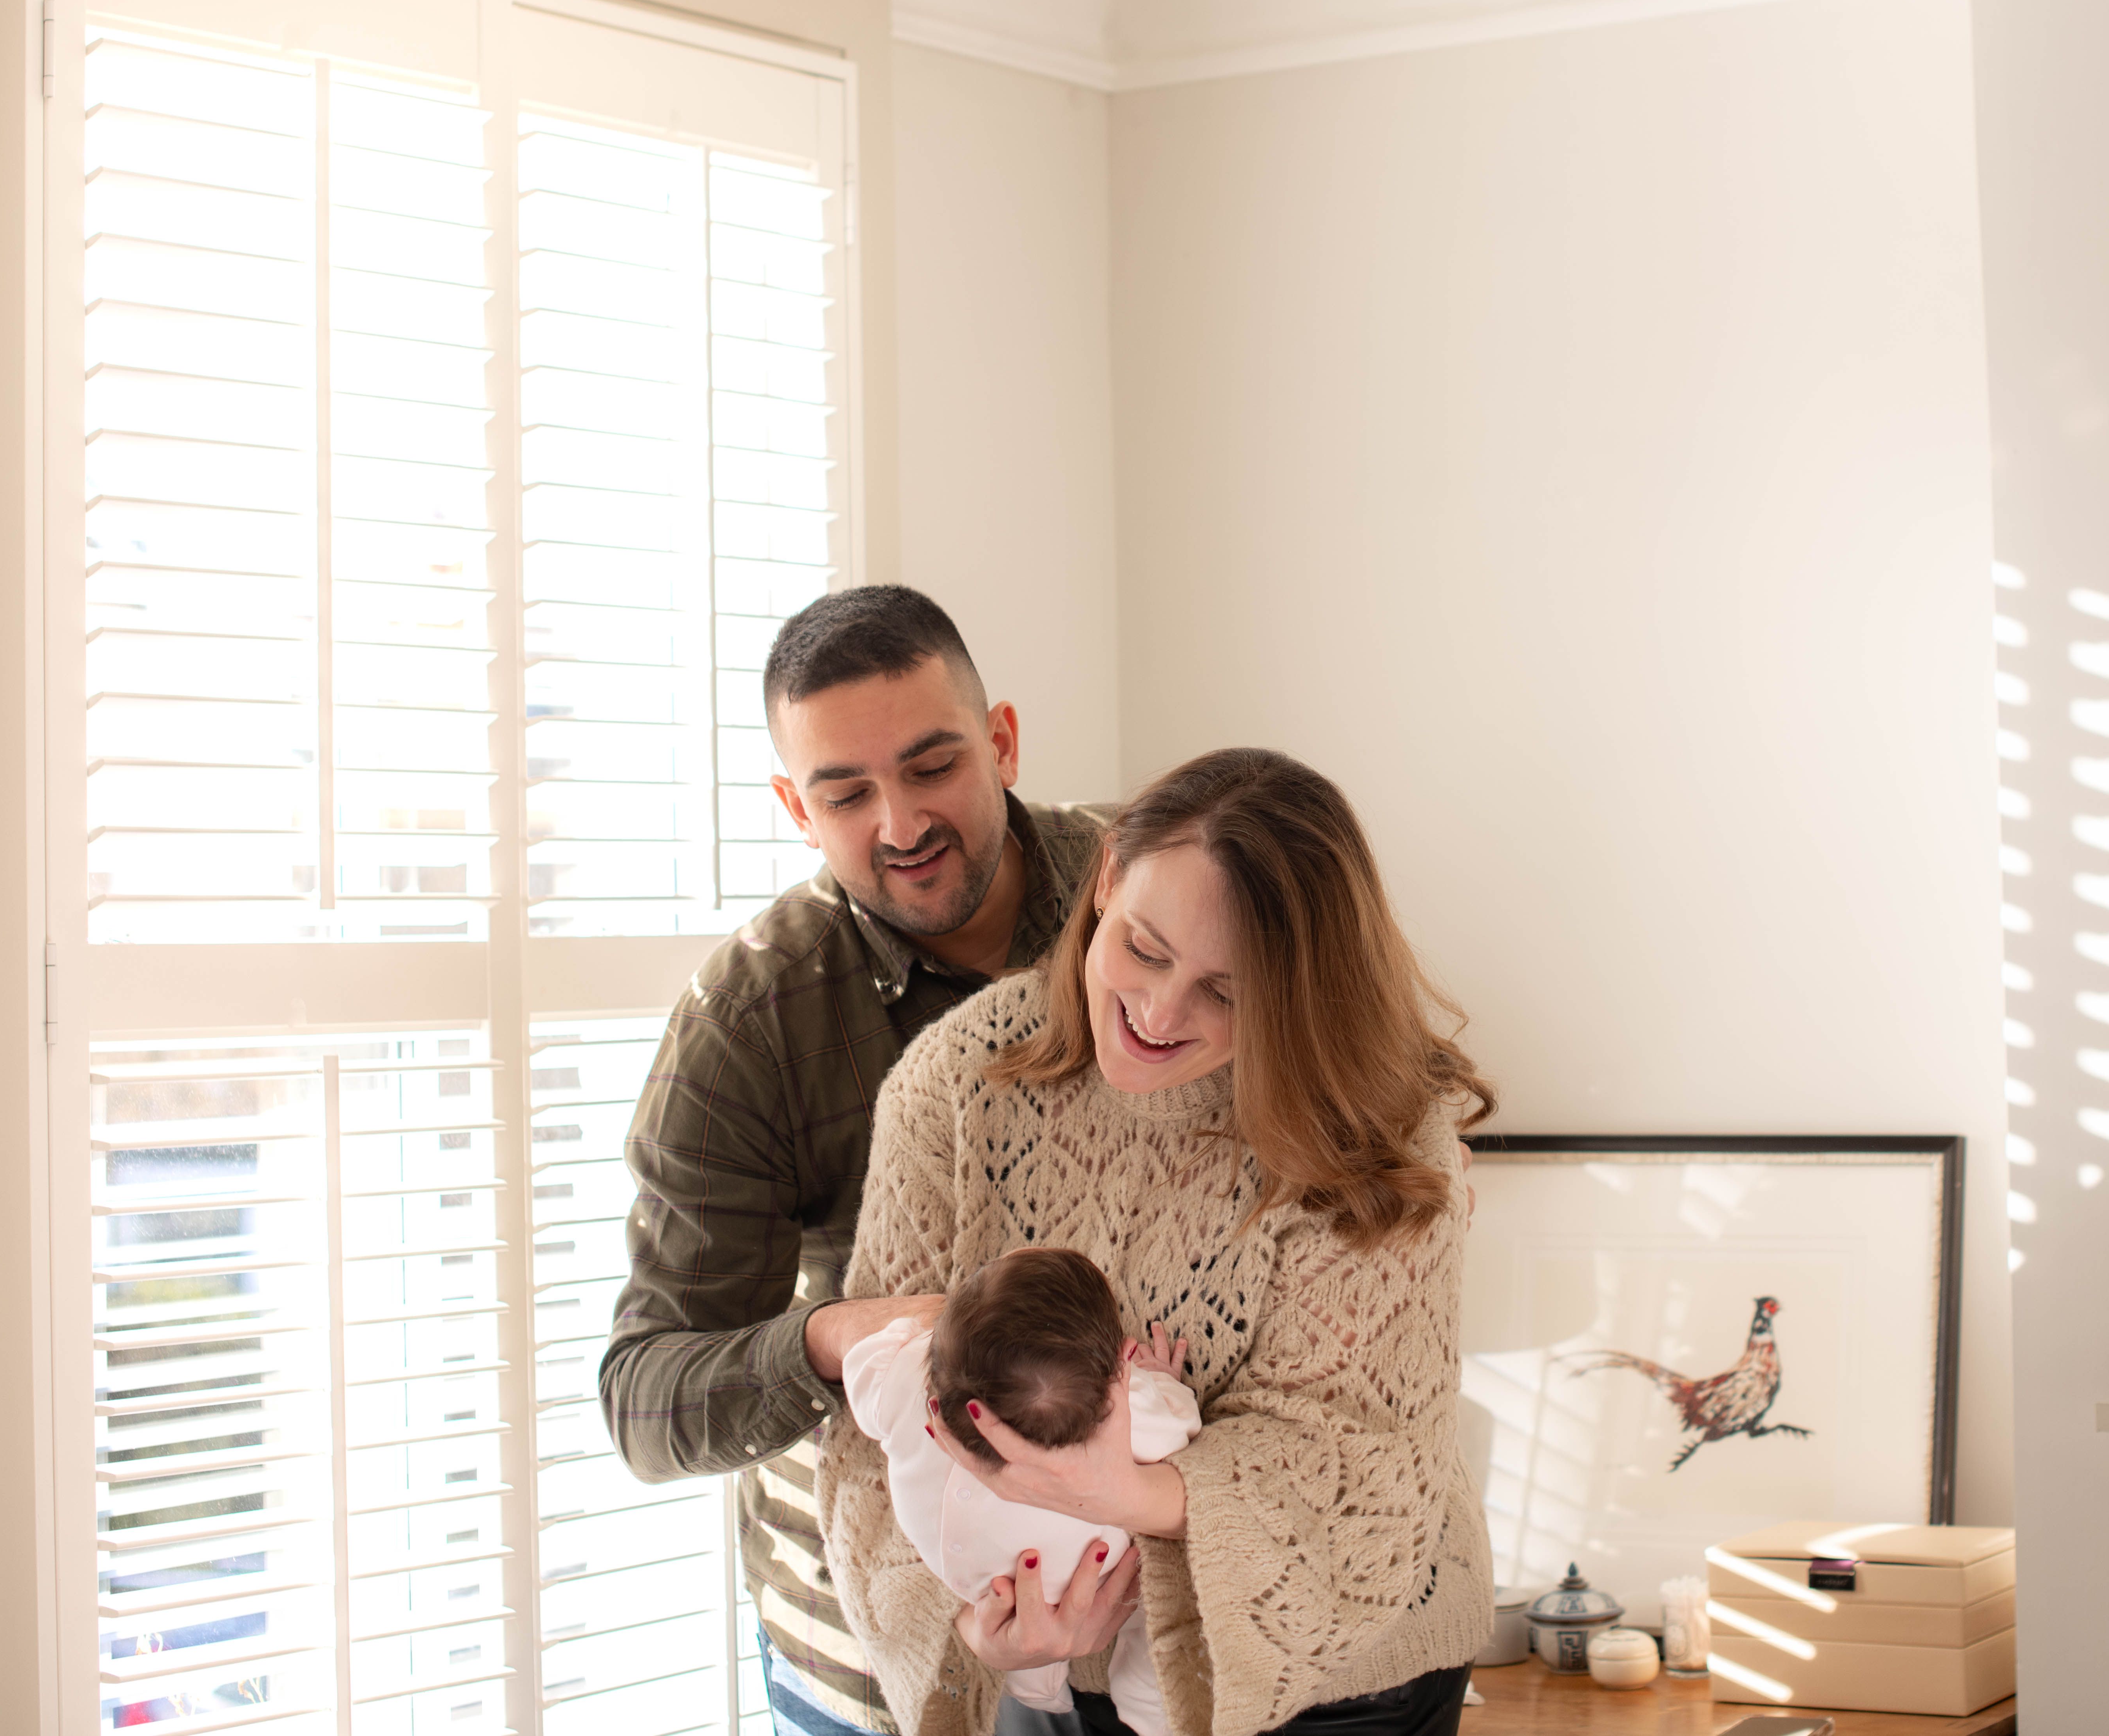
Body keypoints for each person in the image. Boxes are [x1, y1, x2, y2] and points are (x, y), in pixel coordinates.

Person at [820, 747, 1497, 1736]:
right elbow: (872, 1426)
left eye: (1228, 991)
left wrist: (1132, 1489)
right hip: (1043, 1668)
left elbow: (1363, 1456)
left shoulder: (1373, 1132)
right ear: (1104, 879)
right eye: (1142, 947)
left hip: (1341, 1683)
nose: (1159, 1012)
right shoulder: (959, 1084)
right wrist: (978, 1626)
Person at [600, 584, 1113, 1736]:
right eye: (845, 793)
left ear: (1004, 742)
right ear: (795, 805)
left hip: (1147, 1626)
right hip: (880, 1673)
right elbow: (643, 1400)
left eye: (933, 768)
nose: (899, 822)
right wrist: (835, 1340)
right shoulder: (752, 1016)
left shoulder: (1144, 896)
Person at [841, 1247, 1199, 1736]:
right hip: (1071, 1573)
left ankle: (1034, 1681)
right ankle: (1146, 1705)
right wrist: (1158, 1381)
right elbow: (1183, 1427)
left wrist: (909, 1333)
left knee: (1014, 1584)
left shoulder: (904, 1372)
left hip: (957, 1570)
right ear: (1117, 1370)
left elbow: (862, 1368)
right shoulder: (1131, 1412)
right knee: (1158, 1574)